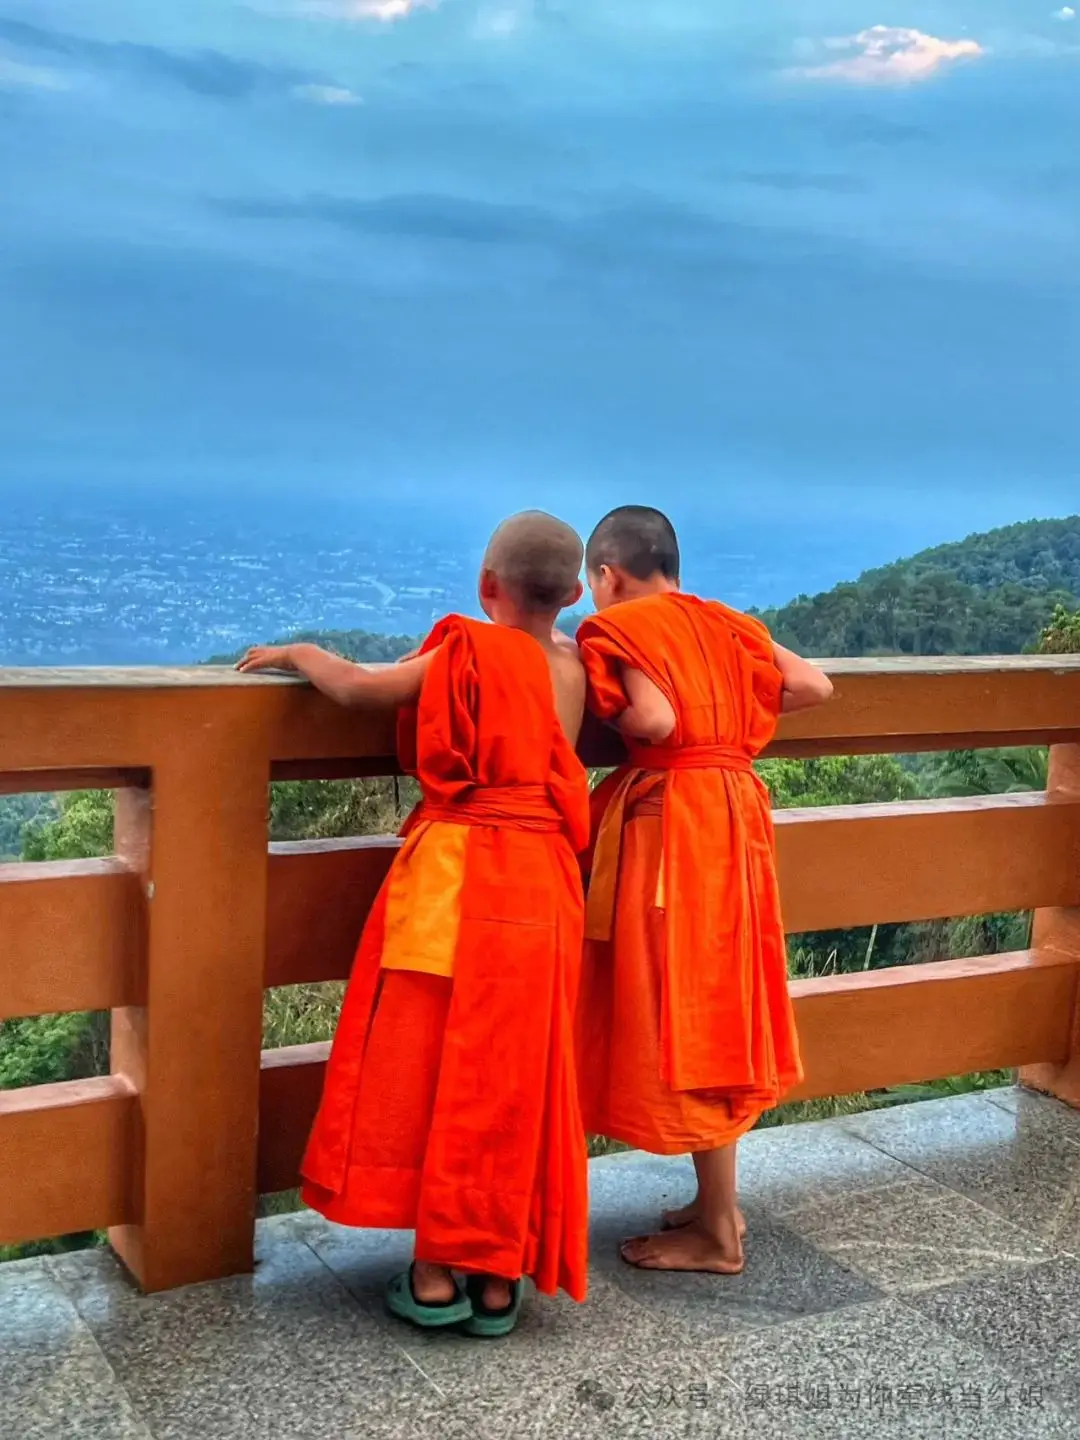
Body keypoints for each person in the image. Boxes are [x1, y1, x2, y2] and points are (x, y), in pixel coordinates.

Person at [238, 512, 591, 1335]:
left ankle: (434, 1273)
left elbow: (358, 688)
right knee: (515, 1075)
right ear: (575, 593)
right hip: (542, 878)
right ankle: (497, 1276)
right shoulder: (578, 666)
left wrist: (298, 653)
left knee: (437, 1067)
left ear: (486, 585)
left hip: (458, 878)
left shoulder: (469, 651)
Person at [574, 505, 833, 1275]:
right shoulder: (727, 623)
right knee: (723, 999)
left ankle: (719, 1232)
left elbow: (654, 719)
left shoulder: (619, 627)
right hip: (735, 814)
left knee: (686, 1009)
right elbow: (812, 684)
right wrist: (726, 721)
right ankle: (713, 1202)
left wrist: (614, 709)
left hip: (675, 830)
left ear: (607, 576)